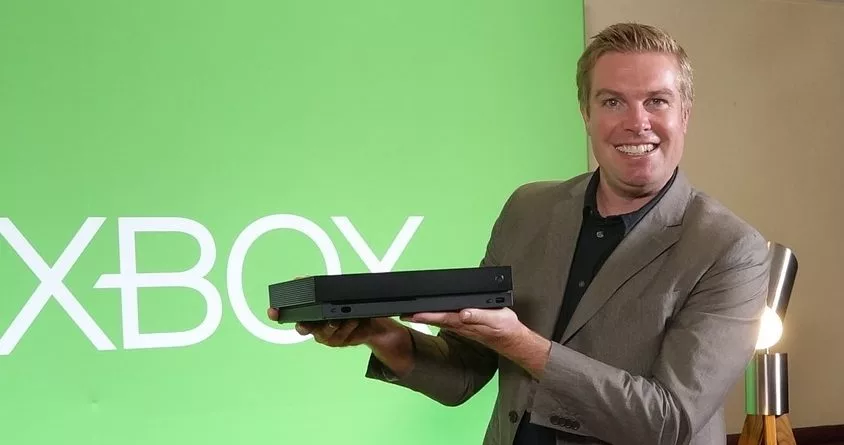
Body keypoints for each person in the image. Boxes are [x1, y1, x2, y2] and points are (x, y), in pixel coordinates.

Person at [267, 22, 770, 445]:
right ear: (586, 114)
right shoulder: (529, 209)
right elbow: (466, 370)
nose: (637, 122)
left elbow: (667, 423)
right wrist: (386, 336)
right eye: (612, 102)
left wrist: (524, 344)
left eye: (657, 101)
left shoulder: (731, 250)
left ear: (685, 114)